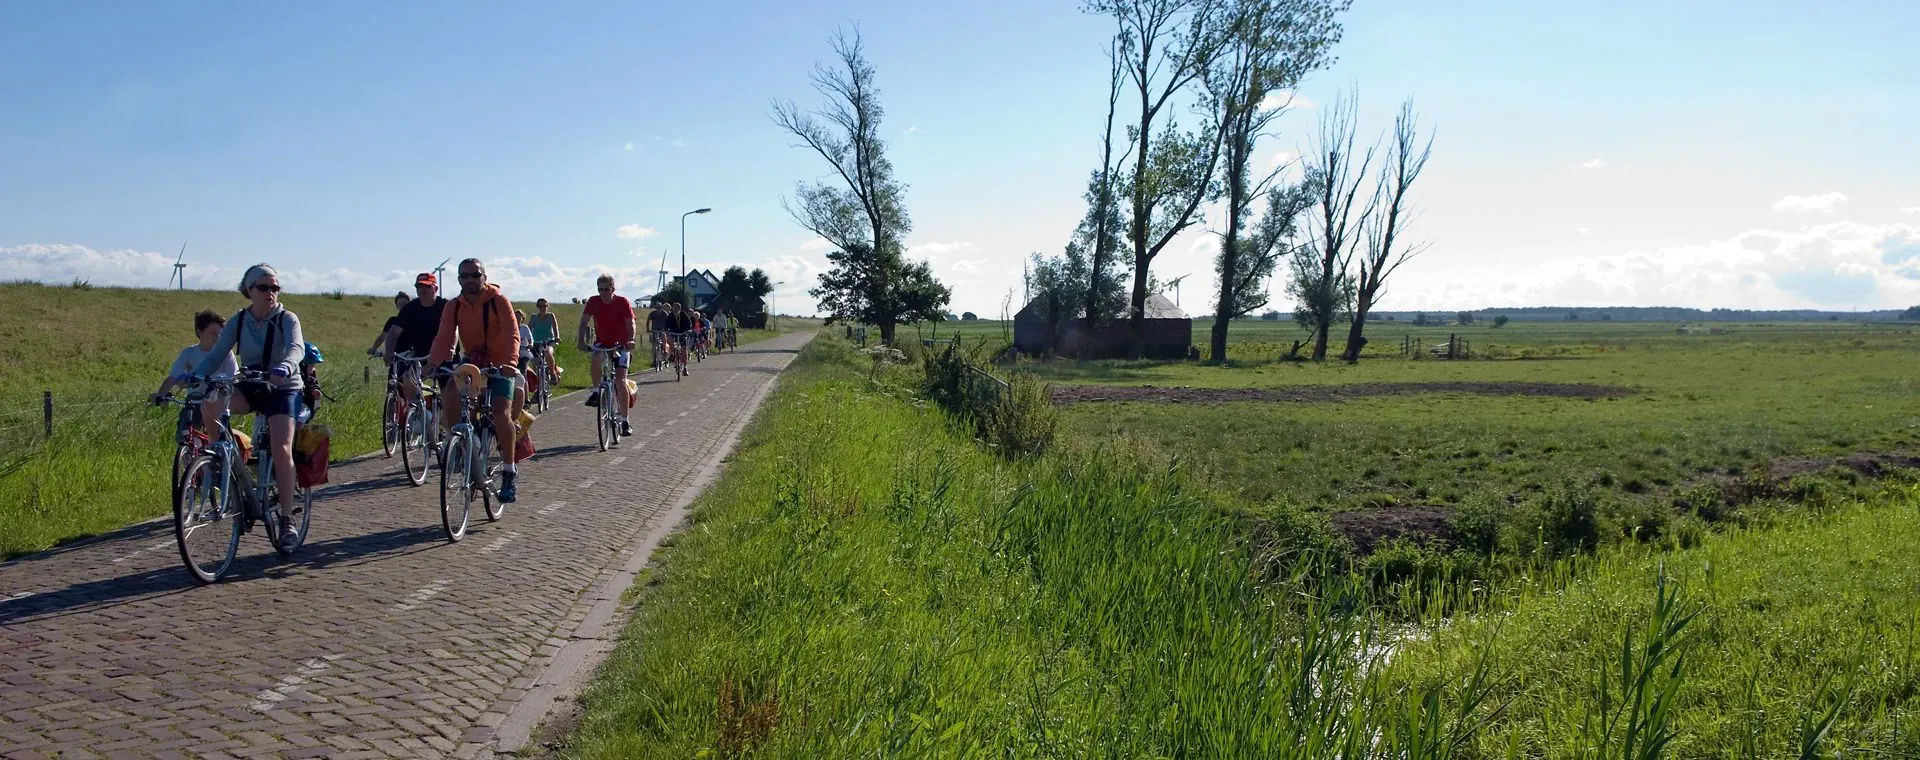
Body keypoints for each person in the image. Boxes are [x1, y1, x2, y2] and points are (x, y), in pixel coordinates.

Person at [193, 264, 306, 546]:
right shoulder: (239, 321)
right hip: (252, 383)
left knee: (281, 447)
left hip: (283, 387)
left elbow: (296, 348)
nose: (271, 293)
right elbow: (218, 353)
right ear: (249, 290)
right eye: (264, 287)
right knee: (212, 401)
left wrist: (284, 367)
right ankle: (218, 456)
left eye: (275, 288)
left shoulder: (287, 319)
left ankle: (286, 520)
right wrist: (197, 376)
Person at [427, 258, 525, 502]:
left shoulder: (498, 301)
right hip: (473, 362)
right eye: (465, 275)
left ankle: (509, 472)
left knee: (501, 412)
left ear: (484, 276)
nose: (470, 279)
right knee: (450, 390)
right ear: (459, 279)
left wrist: (511, 363)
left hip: (502, 364)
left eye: (475, 274)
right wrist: (432, 363)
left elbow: (513, 333)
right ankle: (460, 443)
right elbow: (444, 337)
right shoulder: (454, 306)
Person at [152, 309, 236, 431]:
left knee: (220, 436)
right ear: (199, 332)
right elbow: (173, 377)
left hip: (217, 404)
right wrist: (161, 395)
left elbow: (234, 376)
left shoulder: (227, 354)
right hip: (194, 403)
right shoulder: (189, 353)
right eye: (213, 333)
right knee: (185, 433)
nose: (218, 338)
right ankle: (187, 449)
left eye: (220, 334)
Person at [576, 274, 636, 435]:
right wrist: (581, 341)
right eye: (600, 289)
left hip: (621, 344)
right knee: (596, 357)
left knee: (620, 381)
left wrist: (630, 340)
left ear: (613, 289)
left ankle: (625, 421)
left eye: (606, 289)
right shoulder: (593, 301)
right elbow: (583, 322)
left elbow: (630, 322)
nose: (603, 293)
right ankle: (596, 391)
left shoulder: (622, 302)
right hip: (603, 342)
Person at [383, 273, 447, 416]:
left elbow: (455, 331)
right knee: (407, 379)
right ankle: (417, 414)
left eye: (427, 286)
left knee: (450, 390)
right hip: (420, 356)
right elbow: (394, 331)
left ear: (435, 288)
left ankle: (447, 423)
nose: (422, 290)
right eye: (419, 286)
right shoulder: (410, 308)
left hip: (445, 356)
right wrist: (389, 351)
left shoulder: (445, 306)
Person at [365, 292, 409, 356]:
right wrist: (374, 348)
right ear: (397, 307)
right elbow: (382, 337)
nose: (403, 307)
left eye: (405, 304)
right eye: (400, 304)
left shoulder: (416, 320)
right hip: (396, 356)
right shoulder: (392, 321)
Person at [529, 298, 562, 380]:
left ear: (547, 307)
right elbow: (528, 329)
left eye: (545, 306)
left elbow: (555, 328)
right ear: (537, 307)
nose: (543, 308)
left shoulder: (551, 316)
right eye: (540, 306)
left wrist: (557, 337)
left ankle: (553, 372)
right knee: (535, 362)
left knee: (547, 352)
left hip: (548, 342)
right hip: (536, 342)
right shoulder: (534, 317)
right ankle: (538, 386)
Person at [664, 301, 695, 376]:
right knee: (670, 341)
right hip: (673, 333)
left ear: (680, 309)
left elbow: (689, 323)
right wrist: (666, 331)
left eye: (677, 308)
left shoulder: (683, 314)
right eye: (674, 308)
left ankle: (685, 367)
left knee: (684, 350)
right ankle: (673, 355)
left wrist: (689, 329)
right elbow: (666, 324)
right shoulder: (670, 316)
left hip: (682, 333)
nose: (675, 309)